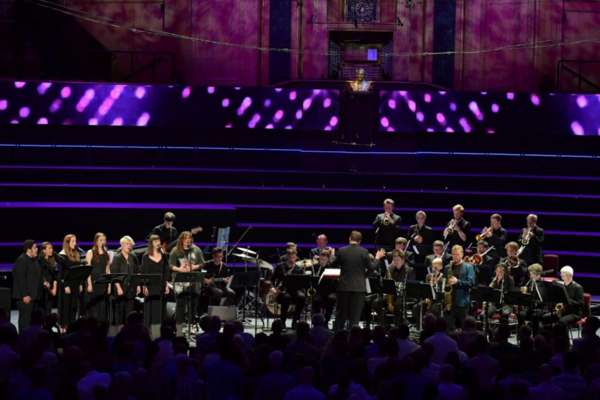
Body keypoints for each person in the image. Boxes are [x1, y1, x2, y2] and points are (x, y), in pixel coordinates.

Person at [331, 231, 383, 331]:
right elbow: (372, 267)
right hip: (358, 289)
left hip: (343, 288)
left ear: (349, 238)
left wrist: (333, 255)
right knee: (354, 319)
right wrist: (377, 258)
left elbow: (332, 265)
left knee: (341, 316)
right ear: (360, 241)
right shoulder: (364, 251)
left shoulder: (342, 250)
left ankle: (337, 340)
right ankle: (351, 340)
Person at [169, 231, 204, 332]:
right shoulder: (175, 250)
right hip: (180, 281)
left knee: (193, 304)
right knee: (180, 304)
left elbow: (202, 263)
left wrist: (194, 266)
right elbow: (171, 265)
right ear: (181, 240)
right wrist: (180, 269)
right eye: (186, 240)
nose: (188, 242)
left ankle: (192, 325)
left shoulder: (197, 250)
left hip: (194, 281)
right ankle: (179, 327)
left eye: (189, 240)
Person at [140, 234, 170, 335]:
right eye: (155, 241)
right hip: (150, 286)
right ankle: (147, 334)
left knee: (159, 311)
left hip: (160, 287)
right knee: (149, 311)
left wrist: (166, 285)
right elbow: (143, 273)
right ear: (151, 243)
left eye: (159, 241)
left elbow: (166, 272)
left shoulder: (164, 256)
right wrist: (144, 286)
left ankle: (157, 334)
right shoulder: (146, 256)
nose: (158, 243)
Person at [12, 240, 42, 332]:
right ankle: (23, 342)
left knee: (32, 323)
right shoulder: (22, 260)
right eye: (35, 248)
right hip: (25, 297)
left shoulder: (34, 260)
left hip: (34, 297)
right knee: (25, 323)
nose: (37, 249)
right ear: (29, 249)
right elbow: (20, 279)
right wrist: (25, 295)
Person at [271, 250, 306, 328]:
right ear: (286, 256)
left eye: (293, 256)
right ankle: (282, 322)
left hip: (295, 291)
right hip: (282, 291)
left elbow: (302, 283)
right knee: (286, 297)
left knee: (302, 297)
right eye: (289, 256)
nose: (291, 258)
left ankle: (295, 322)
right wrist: (272, 287)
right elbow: (272, 279)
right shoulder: (280, 267)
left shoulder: (299, 269)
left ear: (296, 257)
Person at [444, 245, 476, 331]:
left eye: (457, 254)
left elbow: (471, 283)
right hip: (449, 302)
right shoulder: (447, 267)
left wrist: (458, 282)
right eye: (453, 254)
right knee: (449, 328)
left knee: (464, 328)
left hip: (462, 302)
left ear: (462, 254)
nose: (455, 256)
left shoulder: (468, 267)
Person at [110, 236, 139, 327]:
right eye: (127, 244)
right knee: (120, 312)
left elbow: (136, 272)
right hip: (121, 289)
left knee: (130, 313)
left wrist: (137, 285)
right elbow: (114, 274)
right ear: (122, 245)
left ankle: (129, 330)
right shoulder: (117, 258)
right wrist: (118, 288)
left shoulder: (133, 257)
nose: (129, 246)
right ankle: (119, 331)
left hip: (131, 289)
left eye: (130, 244)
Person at [383, 250, 415, 326]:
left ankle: (399, 325)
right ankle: (384, 326)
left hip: (404, 295)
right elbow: (386, 284)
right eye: (394, 260)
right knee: (377, 302)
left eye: (398, 260)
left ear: (403, 260)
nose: (396, 262)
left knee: (398, 304)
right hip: (392, 295)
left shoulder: (409, 270)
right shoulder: (390, 269)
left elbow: (410, 287)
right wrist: (389, 302)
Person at [84, 232, 110, 322]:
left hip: (103, 283)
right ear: (96, 241)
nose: (102, 242)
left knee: (102, 308)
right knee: (93, 308)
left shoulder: (106, 253)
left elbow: (107, 270)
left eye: (104, 240)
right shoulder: (90, 252)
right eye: (100, 240)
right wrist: (89, 284)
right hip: (94, 282)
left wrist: (109, 285)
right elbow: (88, 270)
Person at [57, 234, 82, 329]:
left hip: (75, 284)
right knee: (66, 308)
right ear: (67, 243)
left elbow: (78, 270)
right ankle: (64, 328)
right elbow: (60, 274)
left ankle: (71, 328)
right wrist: (65, 285)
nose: (75, 244)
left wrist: (79, 283)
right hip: (66, 285)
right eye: (73, 241)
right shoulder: (62, 255)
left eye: (75, 241)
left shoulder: (75, 253)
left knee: (73, 307)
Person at [311, 249, 336, 323]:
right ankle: (317, 321)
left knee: (331, 299)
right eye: (322, 256)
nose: (323, 258)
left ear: (328, 259)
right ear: (319, 257)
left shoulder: (331, 268)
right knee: (316, 300)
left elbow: (334, 283)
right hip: (318, 292)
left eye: (326, 257)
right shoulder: (314, 267)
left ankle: (326, 321)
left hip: (329, 291)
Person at [38, 241, 58, 316]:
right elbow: (39, 274)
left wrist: (54, 288)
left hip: (51, 289)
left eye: (52, 248)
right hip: (43, 289)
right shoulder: (39, 261)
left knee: (49, 310)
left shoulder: (53, 260)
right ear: (43, 250)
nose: (51, 250)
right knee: (43, 311)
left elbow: (55, 275)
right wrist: (45, 282)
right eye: (49, 248)